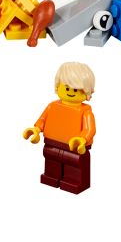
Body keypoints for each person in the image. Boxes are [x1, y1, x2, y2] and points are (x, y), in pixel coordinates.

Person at [23, 62, 96, 194]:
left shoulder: (85, 112)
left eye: (75, 90)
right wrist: (36, 130)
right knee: (51, 160)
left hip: (74, 147)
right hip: (51, 143)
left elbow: (90, 129)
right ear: (58, 86)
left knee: (75, 163)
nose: (70, 92)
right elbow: (43, 120)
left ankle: (74, 182)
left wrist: (82, 139)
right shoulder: (52, 106)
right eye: (67, 88)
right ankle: (51, 176)